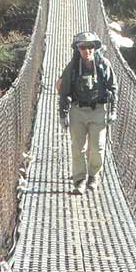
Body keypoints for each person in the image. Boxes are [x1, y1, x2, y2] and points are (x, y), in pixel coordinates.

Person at [57, 32, 115, 195]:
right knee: (78, 147)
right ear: (78, 49)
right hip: (77, 110)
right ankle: (80, 180)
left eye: (90, 47)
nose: (87, 50)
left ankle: (93, 176)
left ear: (95, 48)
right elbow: (63, 92)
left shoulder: (104, 64)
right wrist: (62, 115)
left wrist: (113, 112)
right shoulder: (73, 67)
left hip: (98, 110)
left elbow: (113, 88)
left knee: (97, 147)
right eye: (83, 47)